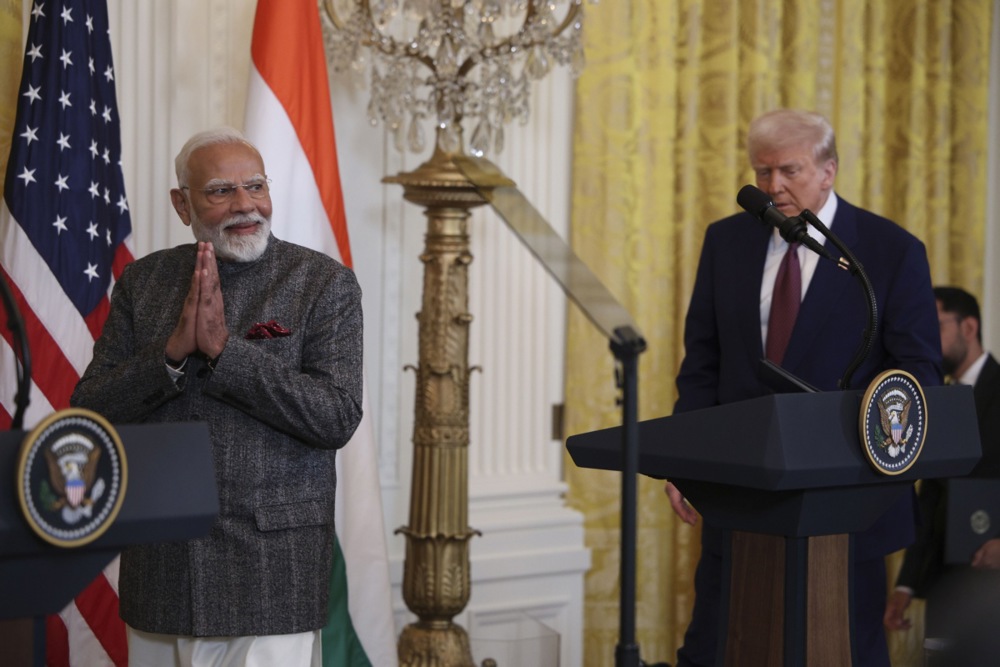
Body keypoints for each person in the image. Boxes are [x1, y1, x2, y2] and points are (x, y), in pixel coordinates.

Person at [71, 127, 363, 666]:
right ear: (182, 204)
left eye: (255, 186)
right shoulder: (144, 281)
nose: (245, 204)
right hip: (162, 569)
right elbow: (88, 412)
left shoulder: (323, 282)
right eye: (220, 191)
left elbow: (335, 415)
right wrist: (171, 355)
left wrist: (228, 353)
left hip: (271, 574)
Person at [665, 109, 942, 667]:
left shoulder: (889, 252)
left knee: (841, 648)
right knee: (719, 644)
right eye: (762, 172)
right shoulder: (726, 242)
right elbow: (703, 363)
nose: (773, 187)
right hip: (740, 489)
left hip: (847, 500)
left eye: (789, 170)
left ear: (828, 171)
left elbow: (917, 373)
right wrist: (683, 458)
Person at [884, 286, 1000, 638]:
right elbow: (932, 494)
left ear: (968, 327)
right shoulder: (939, 401)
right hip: (944, 587)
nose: (927, 340)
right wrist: (906, 585)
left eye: (936, 326)